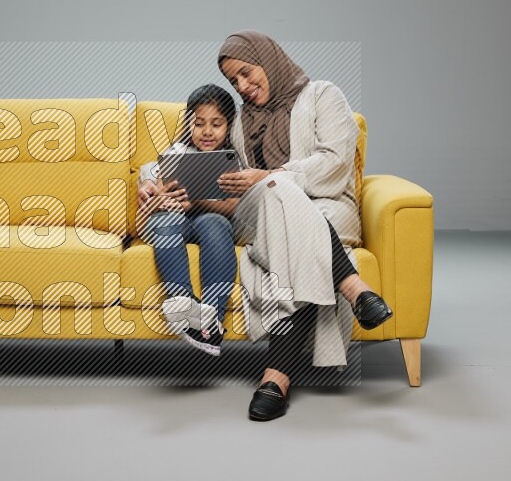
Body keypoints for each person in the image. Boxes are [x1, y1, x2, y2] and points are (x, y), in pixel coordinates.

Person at [137, 30, 393, 421]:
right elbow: (226, 181)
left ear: (267, 57)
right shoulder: (239, 123)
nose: (242, 85)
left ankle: (276, 377)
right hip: (257, 214)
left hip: (325, 206)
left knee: (285, 211)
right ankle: (353, 287)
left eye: (245, 72)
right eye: (233, 81)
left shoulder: (323, 95)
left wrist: (270, 176)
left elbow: (336, 164)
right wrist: (176, 189)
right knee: (273, 191)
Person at [136, 84, 240, 356]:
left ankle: (211, 321)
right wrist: (163, 196)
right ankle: (184, 302)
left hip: (213, 218)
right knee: (162, 223)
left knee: (214, 225)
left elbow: (233, 206)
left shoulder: (232, 158)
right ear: (188, 124)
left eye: (216, 124)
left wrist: (196, 199)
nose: (207, 131)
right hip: (177, 218)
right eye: (199, 123)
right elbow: (160, 188)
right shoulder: (177, 152)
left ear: (228, 126)